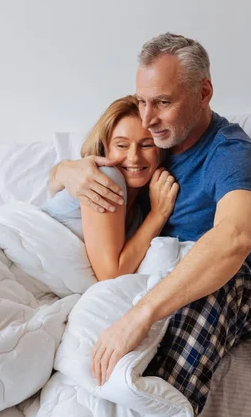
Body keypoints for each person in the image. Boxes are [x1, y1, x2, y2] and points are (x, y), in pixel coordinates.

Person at [49, 33, 251, 417]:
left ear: (204, 92)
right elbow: (95, 162)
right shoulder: (152, 141)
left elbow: (233, 239)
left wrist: (141, 314)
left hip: (235, 284)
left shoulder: (231, 153)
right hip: (155, 277)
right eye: (142, 101)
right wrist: (66, 169)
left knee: (211, 287)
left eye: (163, 103)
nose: (149, 119)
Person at [43, 95, 178, 280]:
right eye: (122, 145)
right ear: (105, 148)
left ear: (160, 150)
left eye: (146, 145)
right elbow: (110, 274)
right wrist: (158, 215)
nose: (134, 157)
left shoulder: (138, 208)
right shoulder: (104, 177)